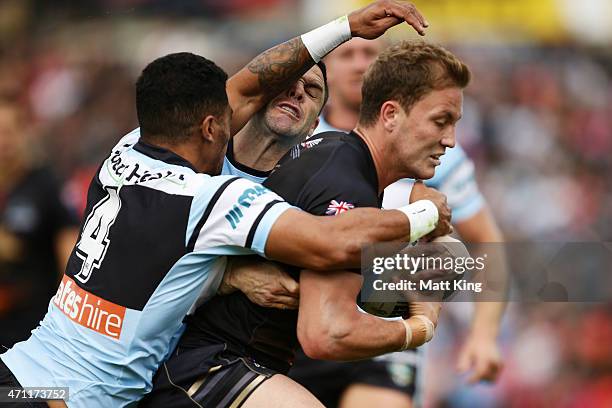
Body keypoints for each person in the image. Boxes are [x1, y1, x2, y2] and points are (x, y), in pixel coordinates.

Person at [0, 2, 442, 407]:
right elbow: (330, 250)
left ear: (316, 120)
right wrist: (424, 223)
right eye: (286, 83)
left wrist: (434, 275)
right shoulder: (219, 195)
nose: (296, 93)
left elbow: (470, 269)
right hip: (164, 373)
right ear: (217, 119)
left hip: (34, 375)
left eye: (311, 90)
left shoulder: (133, 147)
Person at [141, 40, 468, 408]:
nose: (450, 141)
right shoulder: (346, 182)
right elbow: (326, 332)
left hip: (225, 366)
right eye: (441, 121)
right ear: (390, 115)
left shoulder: (337, 155)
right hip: (208, 370)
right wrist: (417, 328)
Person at [290, 37, 506, 408]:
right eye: (347, 54)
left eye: (369, 54)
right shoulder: (298, 142)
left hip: (383, 332)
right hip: (302, 330)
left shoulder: (438, 155)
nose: (359, 64)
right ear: (324, 71)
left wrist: (483, 335)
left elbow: (487, 244)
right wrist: (418, 216)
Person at [0, 96, 79, 348]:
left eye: (9, 131)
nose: (4, 141)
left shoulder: (45, 185)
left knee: (15, 391)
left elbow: (70, 259)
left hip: (28, 333)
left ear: (25, 132)